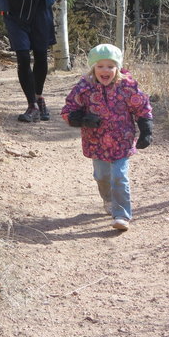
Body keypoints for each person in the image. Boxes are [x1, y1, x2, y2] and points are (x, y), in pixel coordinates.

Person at [61, 44, 153, 231]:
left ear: (117, 68)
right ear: (93, 67)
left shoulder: (127, 86)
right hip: (96, 142)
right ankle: (108, 199)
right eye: (100, 66)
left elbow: (142, 107)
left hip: (122, 140)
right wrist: (82, 119)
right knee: (102, 176)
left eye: (110, 66)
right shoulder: (84, 87)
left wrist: (146, 130)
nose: (105, 70)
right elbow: (69, 110)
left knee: (119, 176)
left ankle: (121, 215)